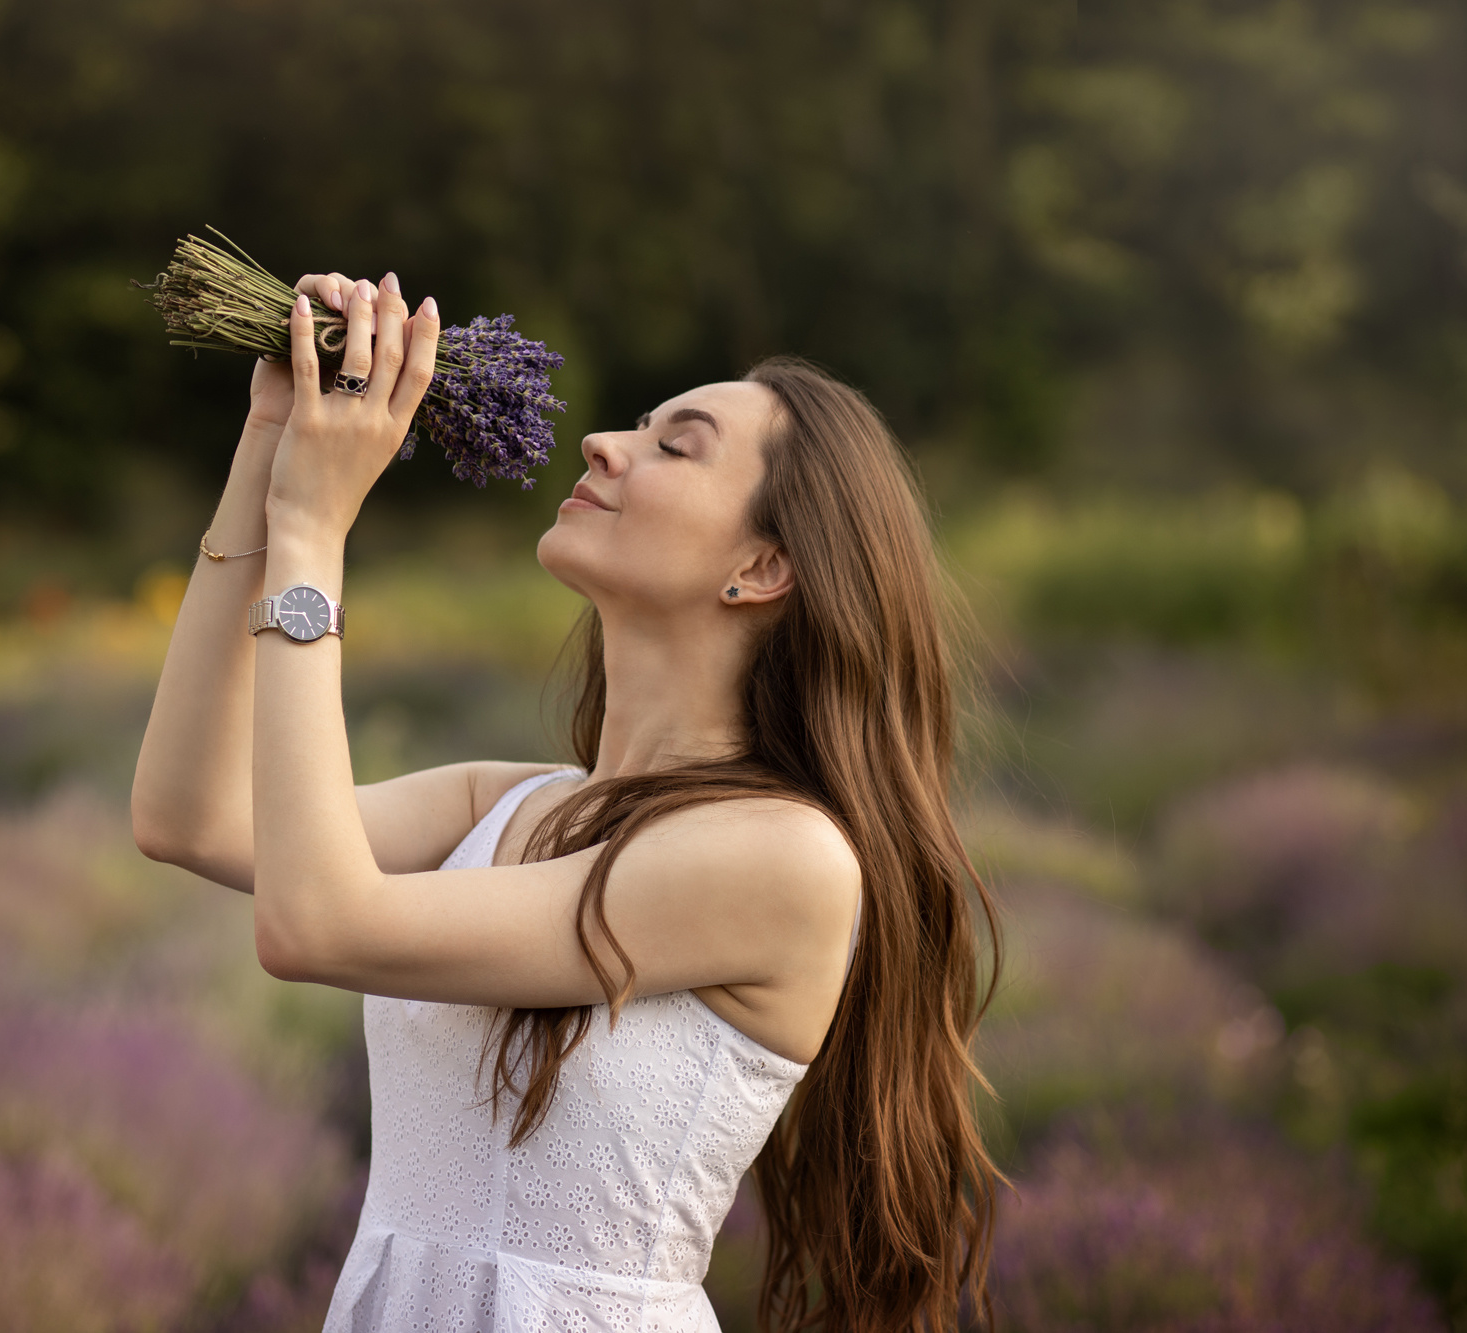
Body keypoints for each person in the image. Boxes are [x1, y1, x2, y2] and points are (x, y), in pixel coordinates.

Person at [131, 269, 1001, 1332]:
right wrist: (266, 457)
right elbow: (188, 815)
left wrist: (315, 534)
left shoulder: (784, 858)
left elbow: (314, 922)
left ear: (761, 566)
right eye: (637, 425)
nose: (601, 443)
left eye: (672, 444)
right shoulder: (510, 804)